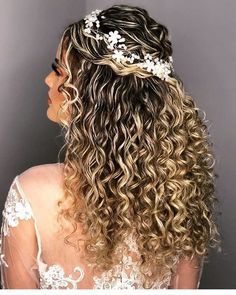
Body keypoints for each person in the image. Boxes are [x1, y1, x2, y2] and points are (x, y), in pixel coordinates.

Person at [0, 4, 221, 289]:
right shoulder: (177, 196)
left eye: (59, 70)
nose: (48, 80)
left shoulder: (30, 193)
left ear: (94, 94)